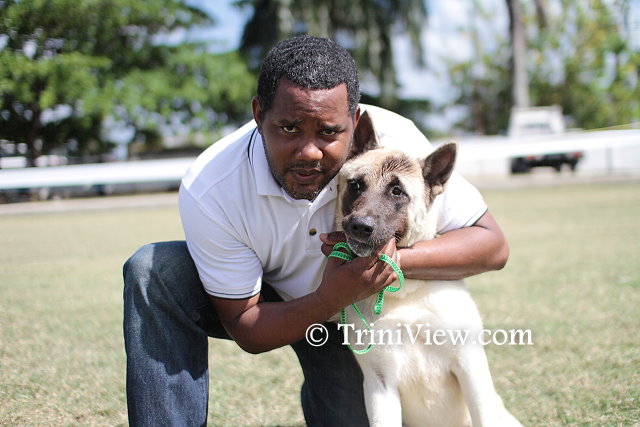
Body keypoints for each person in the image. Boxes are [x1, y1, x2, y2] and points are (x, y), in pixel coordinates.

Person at [123, 35, 509, 426]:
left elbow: (491, 245)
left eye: (328, 132)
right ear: (259, 115)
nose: (309, 151)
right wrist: (329, 297)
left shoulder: (394, 147)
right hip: (274, 304)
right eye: (289, 128)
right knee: (154, 270)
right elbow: (246, 326)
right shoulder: (213, 185)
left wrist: (386, 263)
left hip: (355, 315)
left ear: (355, 126)